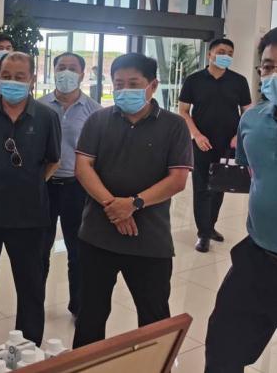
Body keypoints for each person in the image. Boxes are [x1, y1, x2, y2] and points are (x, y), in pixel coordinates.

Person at [72, 53, 192, 348]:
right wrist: (114, 207)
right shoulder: (98, 120)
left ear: (153, 85)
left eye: (134, 83)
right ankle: (86, 366)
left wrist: (133, 204)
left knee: (154, 320)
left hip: (149, 239)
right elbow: (83, 168)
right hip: (97, 236)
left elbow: (177, 179)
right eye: (119, 84)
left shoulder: (174, 125)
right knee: (90, 315)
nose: (125, 89)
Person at [205, 24, 277, 372]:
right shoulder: (252, 120)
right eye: (268, 67)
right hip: (256, 259)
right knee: (222, 352)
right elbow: (253, 173)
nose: (276, 75)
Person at [0, 52, 61, 354]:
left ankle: (29, 344)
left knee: (30, 284)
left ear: (32, 79)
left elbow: (53, 160)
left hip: (30, 214)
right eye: (7, 76)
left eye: (20, 77)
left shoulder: (46, 116)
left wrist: (28, 183)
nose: (13, 82)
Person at [38, 52, 101, 318]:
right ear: (53, 71)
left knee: (78, 250)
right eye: (61, 67)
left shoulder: (94, 111)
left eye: (72, 68)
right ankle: (34, 305)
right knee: (39, 249)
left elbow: (99, 154)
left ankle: (79, 306)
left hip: (78, 187)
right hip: (44, 186)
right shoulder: (39, 106)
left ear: (82, 74)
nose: (66, 72)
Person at [178, 38, 251, 253]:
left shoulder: (239, 81)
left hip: (228, 143)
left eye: (229, 53)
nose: (225, 55)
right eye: (221, 51)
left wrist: (238, 135)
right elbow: (183, 111)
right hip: (202, 143)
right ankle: (203, 234)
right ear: (210, 54)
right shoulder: (193, 80)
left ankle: (210, 227)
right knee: (202, 188)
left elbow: (247, 111)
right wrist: (196, 135)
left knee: (219, 186)